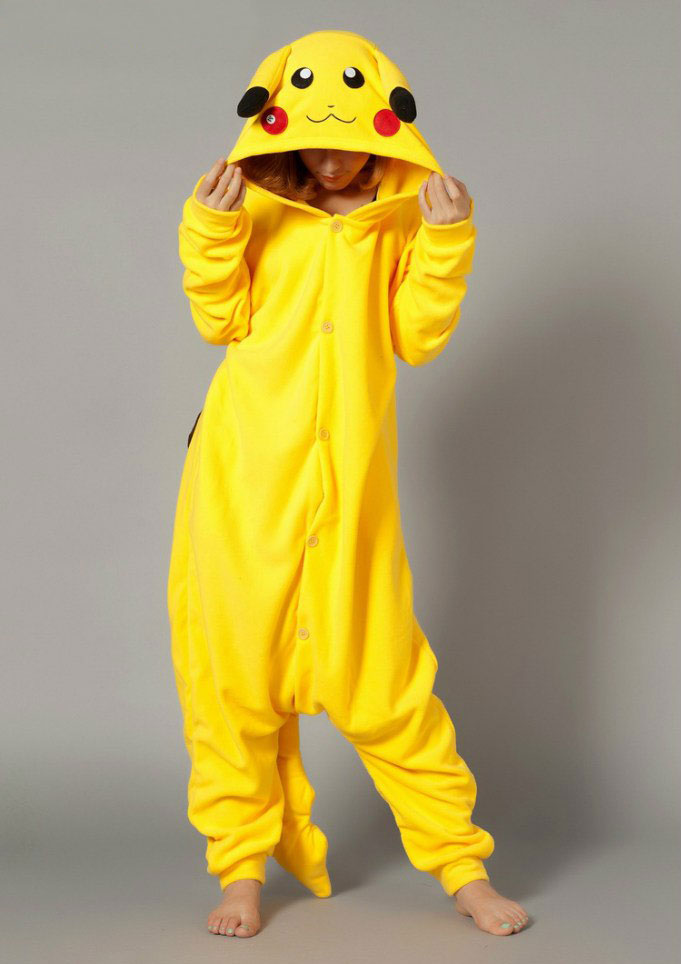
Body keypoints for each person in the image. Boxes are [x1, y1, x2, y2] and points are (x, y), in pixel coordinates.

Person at [168, 28, 530, 940]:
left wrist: (444, 242)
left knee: (386, 686)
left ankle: (462, 868)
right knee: (234, 679)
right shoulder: (253, 204)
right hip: (244, 477)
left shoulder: (400, 215)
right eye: (313, 142)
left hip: (352, 487)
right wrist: (211, 228)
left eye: (348, 141)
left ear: (383, 128)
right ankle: (240, 869)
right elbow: (220, 319)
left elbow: (415, 338)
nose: (330, 160)